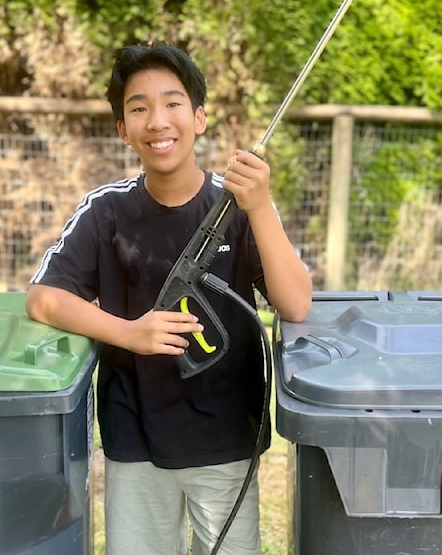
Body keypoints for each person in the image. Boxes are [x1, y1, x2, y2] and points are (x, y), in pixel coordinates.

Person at [26, 42, 312, 555]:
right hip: (135, 438)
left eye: (173, 103)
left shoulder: (239, 204)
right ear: (123, 130)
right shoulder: (105, 212)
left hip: (226, 436)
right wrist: (129, 333)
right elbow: (43, 299)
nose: (158, 120)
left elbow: (294, 305)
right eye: (139, 108)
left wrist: (262, 205)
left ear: (199, 118)